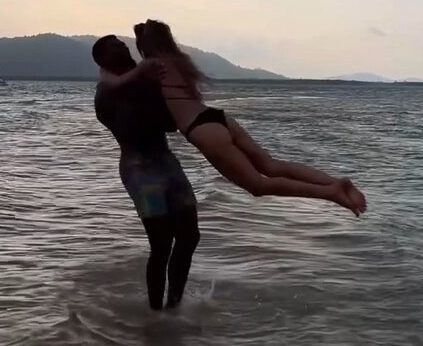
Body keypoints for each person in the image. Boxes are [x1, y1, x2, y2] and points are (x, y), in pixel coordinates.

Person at [98, 21, 367, 216]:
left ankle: (331, 193)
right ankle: (334, 182)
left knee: (258, 185)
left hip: (202, 130)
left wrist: (107, 71)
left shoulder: (152, 66)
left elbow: (115, 83)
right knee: (272, 165)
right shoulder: (181, 61)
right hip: (217, 118)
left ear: (145, 46)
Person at [92, 34, 201, 312]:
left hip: (165, 161)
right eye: (115, 45)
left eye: (122, 43)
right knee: (162, 243)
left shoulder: (142, 82)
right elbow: (131, 123)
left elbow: (169, 125)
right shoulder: (105, 92)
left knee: (189, 236)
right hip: (139, 169)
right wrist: (145, 85)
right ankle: (156, 313)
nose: (123, 46)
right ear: (103, 60)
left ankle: (174, 306)